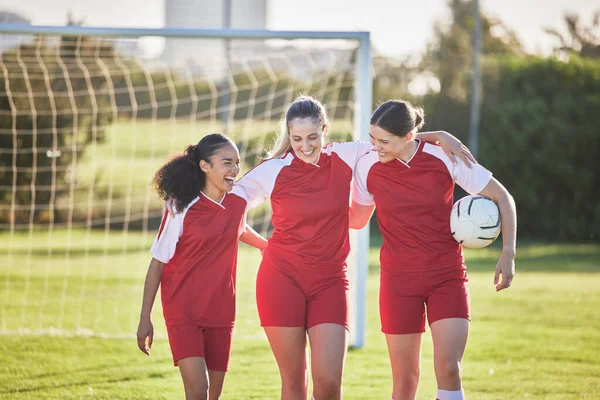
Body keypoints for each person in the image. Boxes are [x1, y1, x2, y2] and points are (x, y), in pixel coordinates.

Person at [226, 95, 474, 400]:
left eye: (313, 137)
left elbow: (395, 139)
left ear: (325, 131)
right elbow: (228, 208)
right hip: (281, 278)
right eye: (297, 138)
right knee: (294, 383)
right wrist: (262, 244)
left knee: (328, 383)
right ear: (289, 137)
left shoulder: (348, 155)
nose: (305, 146)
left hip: (330, 281)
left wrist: (438, 136)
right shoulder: (273, 169)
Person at [349, 100, 517, 400]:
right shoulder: (366, 165)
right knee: (405, 380)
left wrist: (508, 253)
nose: (376, 147)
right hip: (398, 282)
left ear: (409, 137)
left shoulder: (444, 156)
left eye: (384, 141)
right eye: (372, 138)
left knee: (449, 369)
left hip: (446, 277)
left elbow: (503, 198)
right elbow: (358, 219)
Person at [136, 133, 267, 400]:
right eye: (226, 163)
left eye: (237, 163)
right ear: (205, 166)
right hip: (183, 310)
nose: (234, 170)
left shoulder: (238, 201)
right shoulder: (180, 208)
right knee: (198, 390)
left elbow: (237, 227)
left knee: (213, 396)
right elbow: (157, 264)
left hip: (221, 309)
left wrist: (268, 246)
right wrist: (144, 318)